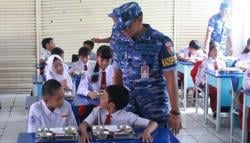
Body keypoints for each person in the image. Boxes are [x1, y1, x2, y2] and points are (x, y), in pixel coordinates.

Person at [110, 2, 181, 134]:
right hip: (128, 109)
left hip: (155, 109)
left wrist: (175, 111)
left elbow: (171, 78)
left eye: (127, 26)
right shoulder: (118, 41)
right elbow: (117, 72)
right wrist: (115, 103)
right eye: (120, 28)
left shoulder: (160, 41)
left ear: (140, 19)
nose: (124, 31)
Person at [80, 85, 158, 143]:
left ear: (111, 105)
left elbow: (154, 123)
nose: (100, 98)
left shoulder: (129, 117)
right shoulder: (98, 110)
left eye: (103, 97)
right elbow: (84, 124)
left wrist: (147, 132)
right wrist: (84, 133)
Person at [196, 41, 226, 117]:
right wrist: (206, 83)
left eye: (218, 51)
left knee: (226, 90)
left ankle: (225, 108)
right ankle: (215, 110)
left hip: (219, 82)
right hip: (206, 83)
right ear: (210, 51)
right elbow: (201, 76)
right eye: (215, 50)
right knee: (215, 90)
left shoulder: (221, 62)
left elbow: (225, 73)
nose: (217, 53)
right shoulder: (206, 62)